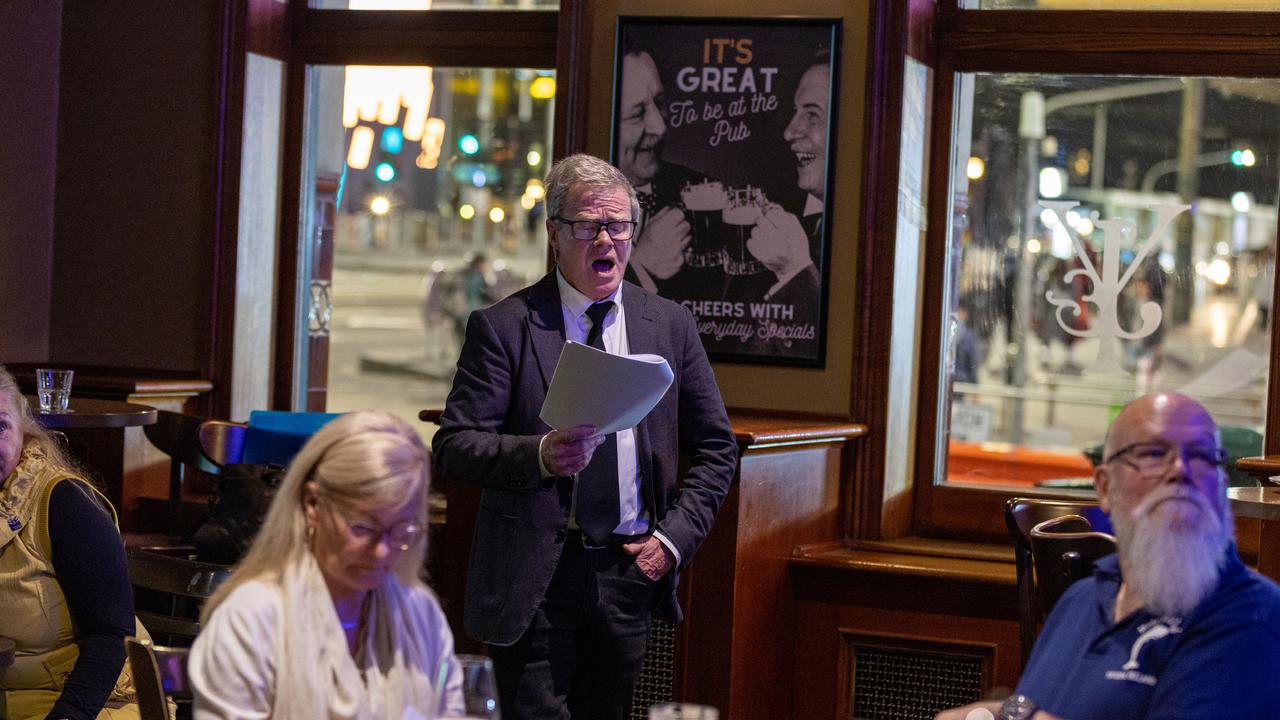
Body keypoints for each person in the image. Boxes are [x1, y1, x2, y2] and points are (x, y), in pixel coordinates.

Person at [433, 153, 738, 719]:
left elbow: (717, 449)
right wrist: (542, 455)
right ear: (554, 233)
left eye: (618, 225)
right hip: (536, 577)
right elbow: (455, 445)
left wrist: (669, 543)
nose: (607, 240)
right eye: (588, 226)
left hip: (629, 569)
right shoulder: (505, 328)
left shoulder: (668, 324)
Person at [936, 392, 1280, 720]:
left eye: (1203, 456)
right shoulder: (1081, 600)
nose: (1181, 470)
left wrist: (1017, 714)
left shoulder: (1250, 615)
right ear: (1104, 487)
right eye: (1152, 454)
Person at [189, 411, 464, 719]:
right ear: (312, 505)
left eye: (402, 531)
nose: (382, 551)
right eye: (362, 527)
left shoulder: (419, 612)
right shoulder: (252, 618)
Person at [0, 365, 140, 719]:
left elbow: (112, 634)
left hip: (85, 701)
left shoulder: (64, 501)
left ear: (23, 431)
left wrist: (69, 714)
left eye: (0, 426)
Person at [615, 49, 724, 301]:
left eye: (660, 102)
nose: (660, 126)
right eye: (637, 113)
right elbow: (574, 319)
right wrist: (640, 267)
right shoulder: (578, 207)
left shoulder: (704, 194)